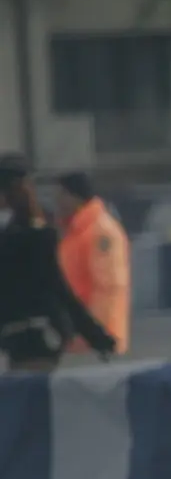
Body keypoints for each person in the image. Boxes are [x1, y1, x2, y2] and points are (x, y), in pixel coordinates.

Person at [0, 156, 117, 372]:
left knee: (29, 395)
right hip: (24, 333)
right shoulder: (25, 230)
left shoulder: (29, 234)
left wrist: (95, 335)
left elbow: (56, 285)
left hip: (34, 333)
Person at [52, 171, 130, 356]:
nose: (57, 201)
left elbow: (107, 289)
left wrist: (95, 336)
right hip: (78, 338)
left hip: (95, 343)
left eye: (61, 194)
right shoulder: (73, 232)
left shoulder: (100, 232)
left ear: (75, 197)